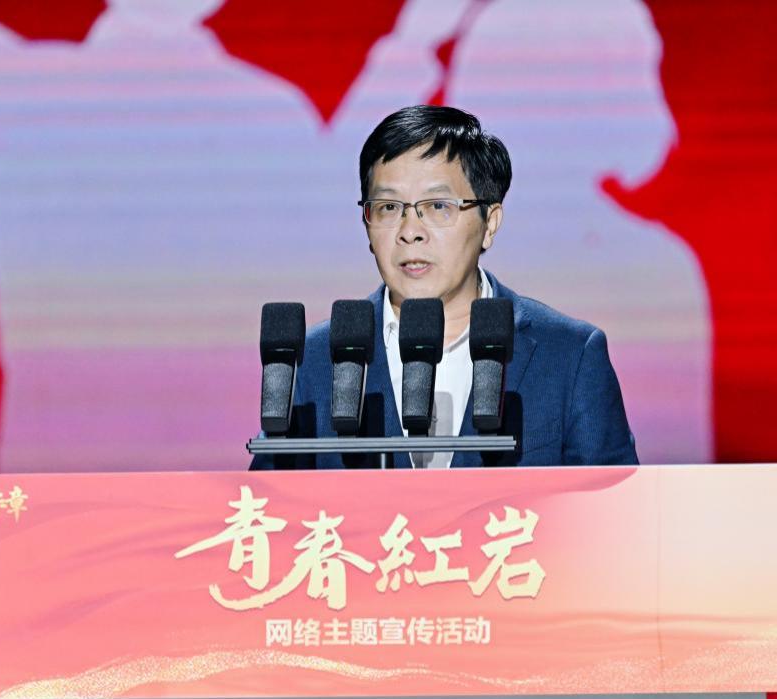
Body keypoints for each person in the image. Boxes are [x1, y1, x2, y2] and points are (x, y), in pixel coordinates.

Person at [252, 105, 638, 470]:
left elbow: (613, 508)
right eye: (388, 208)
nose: (410, 232)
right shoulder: (314, 360)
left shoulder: (569, 355)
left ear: (490, 223)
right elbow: (264, 506)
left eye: (438, 206)